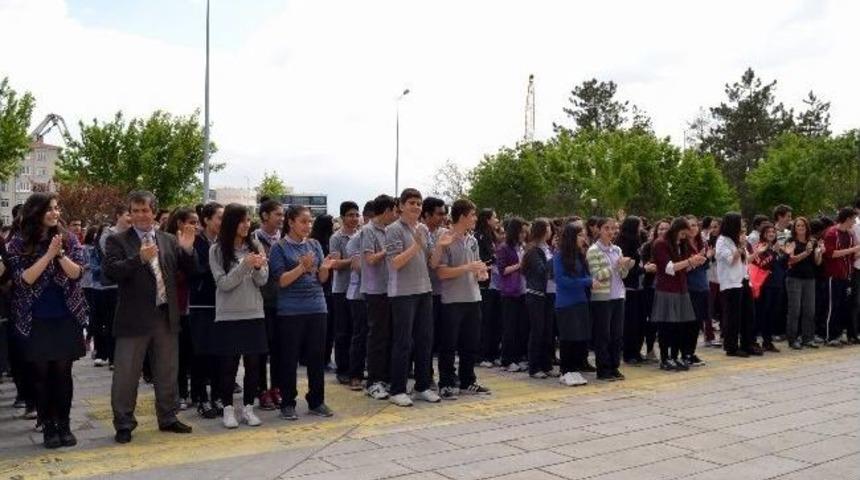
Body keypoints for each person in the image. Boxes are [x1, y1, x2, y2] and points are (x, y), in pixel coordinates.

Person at [104, 191, 197, 444]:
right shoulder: (117, 240)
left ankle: (168, 417)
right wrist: (139, 259)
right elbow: (111, 272)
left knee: (167, 371)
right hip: (133, 319)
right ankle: (123, 423)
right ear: (130, 214)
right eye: (135, 211)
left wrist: (188, 250)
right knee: (126, 375)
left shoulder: (168, 240)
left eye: (145, 210)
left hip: (165, 315)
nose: (140, 215)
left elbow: (191, 271)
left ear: (154, 212)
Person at [7, 193, 88, 449]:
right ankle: (48, 427)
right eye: (49, 209)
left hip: (66, 316)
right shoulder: (18, 242)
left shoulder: (68, 237)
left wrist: (60, 254)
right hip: (35, 319)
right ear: (36, 212)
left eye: (56, 208)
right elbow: (24, 280)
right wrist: (48, 254)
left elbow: (77, 273)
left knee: (63, 374)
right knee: (42, 377)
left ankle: (64, 424)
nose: (55, 213)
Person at [269, 205, 337, 420]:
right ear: (291, 222)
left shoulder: (315, 244)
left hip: (317, 307)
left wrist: (325, 268)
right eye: (303, 221)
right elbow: (281, 281)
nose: (307, 226)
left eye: (310, 222)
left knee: (316, 358)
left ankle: (317, 400)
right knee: (289, 359)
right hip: (291, 311)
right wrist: (301, 267)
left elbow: (321, 279)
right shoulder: (279, 248)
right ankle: (287, 402)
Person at [209, 204, 269, 428]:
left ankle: (248, 408)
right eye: (242, 220)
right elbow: (224, 284)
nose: (246, 225)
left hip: (254, 312)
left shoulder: (255, 245)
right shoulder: (216, 250)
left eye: (248, 221)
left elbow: (262, 280)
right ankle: (227, 409)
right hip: (228, 315)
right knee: (228, 365)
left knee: (254, 364)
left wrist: (256, 268)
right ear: (231, 223)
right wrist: (244, 266)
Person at [385, 188, 440, 407]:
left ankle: (422, 386)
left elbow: (431, 262)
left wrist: (440, 248)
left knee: (425, 340)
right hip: (402, 293)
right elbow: (395, 262)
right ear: (401, 206)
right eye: (411, 203)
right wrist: (416, 244)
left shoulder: (423, 228)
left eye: (419, 203)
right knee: (403, 341)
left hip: (424, 290)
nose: (416, 207)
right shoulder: (393, 229)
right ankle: (397, 389)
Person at [432, 199, 491, 399]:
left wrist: (480, 273)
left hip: (473, 297)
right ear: (463, 216)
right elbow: (441, 273)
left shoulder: (472, 240)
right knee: (449, 343)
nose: (475, 219)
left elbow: (475, 267)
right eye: (473, 215)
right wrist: (467, 268)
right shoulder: (445, 237)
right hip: (452, 300)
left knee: (471, 342)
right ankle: (446, 382)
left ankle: (468, 380)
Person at [650, 217, 705, 371]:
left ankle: (674, 356)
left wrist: (694, 262)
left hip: (681, 288)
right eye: (683, 234)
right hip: (666, 289)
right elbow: (669, 268)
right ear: (677, 230)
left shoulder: (680, 244)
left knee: (679, 325)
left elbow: (682, 269)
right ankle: (664, 358)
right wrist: (689, 261)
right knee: (666, 325)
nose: (684, 238)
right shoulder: (661, 244)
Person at [360, 194, 398, 400]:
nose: (396, 215)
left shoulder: (391, 230)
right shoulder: (368, 231)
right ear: (386, 212)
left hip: (392, 288)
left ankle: (386, 378)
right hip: (375, 290)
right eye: (394, 211)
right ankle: (373, 381)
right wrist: (387, 251)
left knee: (390, 335)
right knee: (377, 336)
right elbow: (370, 259)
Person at [586, 217, 633, 381]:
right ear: (599, 230)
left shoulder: (617, 249)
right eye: (607, 228)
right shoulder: (593, 250)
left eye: (613, 229)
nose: (611, 232)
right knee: (603, 334)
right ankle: (603, 369)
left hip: (618, 295)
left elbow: (623, 275)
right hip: (602, 298)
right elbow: (597, 275)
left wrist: (625, 266)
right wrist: (615, 266)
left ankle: (614, 366)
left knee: (617, 335)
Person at [188, 202, 223, 418]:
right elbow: (193, 269)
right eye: (219, 217)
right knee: (201, 353)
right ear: (207, 219)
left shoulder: (225, 242)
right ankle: (201, 397)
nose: (222, 222)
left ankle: (218, 396)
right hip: (201, 303)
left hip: (224, 304)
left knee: (220, 353)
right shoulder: (196, 241)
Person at [164, 208, 199, 410]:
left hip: (191, 305)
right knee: (177, 355)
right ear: (179, 223)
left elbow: (196, 270)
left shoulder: (197, 242)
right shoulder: (168, 242)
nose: (195, 227)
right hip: (173, 304)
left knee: (191, 352)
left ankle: (193, 393)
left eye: (196, 222)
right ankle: (179, 393)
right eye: (191, 222)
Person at [252, 199, 284, 410]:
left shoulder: (283, 240)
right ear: (265, 216)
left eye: (282, 215)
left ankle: (277, 388)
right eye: (277, 215)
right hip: (261, 300)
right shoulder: (254, 239)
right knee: (261, 349)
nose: (281, 219)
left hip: (283, 301)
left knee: (279, 349)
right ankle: (261, 390)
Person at [554, 222, 594, 386]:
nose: (583, 238)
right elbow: (562, 280)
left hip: (580, 301)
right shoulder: (559, 256)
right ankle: (565, 370)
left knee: (579, 338)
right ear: (571, 237)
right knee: (568, 338)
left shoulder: (580, 255)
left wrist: (588, 280)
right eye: (580, 235)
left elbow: (585, 275)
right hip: (566, 303)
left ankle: (574, 369)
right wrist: (588, 281)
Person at [716, 212, 758, 358]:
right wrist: (740, 246)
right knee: (733, 316)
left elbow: (746, 260)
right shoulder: (723, 241)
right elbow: (731, 260)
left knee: (748, 313)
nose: (742, 226)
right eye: (740, 223)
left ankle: (747, 343)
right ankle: (731, 346)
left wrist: (755, 252)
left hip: (744, 279)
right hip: (731, 282)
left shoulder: (738, 239)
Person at [329, 201, 361, 385]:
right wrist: (355, 258)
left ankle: (355, 367)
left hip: (358, 290)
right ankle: (342, 369)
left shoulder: (361, 234)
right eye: (350, 215)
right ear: (342, 218)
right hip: (341, 289)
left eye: (356, 215)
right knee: (342, 331)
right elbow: (335, 264)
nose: (354, 218)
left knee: (357, 330)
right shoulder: (336, 238)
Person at [521, 218, 557, 379]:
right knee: (538, 331)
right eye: (548, 228)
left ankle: (546, 364)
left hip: (549, 295)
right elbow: (541, 270)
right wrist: (554, 261)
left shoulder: (548, 249)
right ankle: (534, 367)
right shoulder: (533, 250)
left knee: (548, 331)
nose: (550, 231)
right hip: (536, 295)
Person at [346, 201, 374, 391]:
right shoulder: (357, 238)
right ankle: (354, 374)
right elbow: (357, 266)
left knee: (375, 336)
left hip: (378, 294)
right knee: (360, 334)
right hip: (359, 294)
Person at [821, 207, 860, 346]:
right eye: (853, 219)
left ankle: (838, 334)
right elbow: (831, 254)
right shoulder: (832, 233)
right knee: (833, 305)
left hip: (846, 274)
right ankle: (829, 336)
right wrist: (853, 249)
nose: (854, 222)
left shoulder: (849, 235)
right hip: (834, 275)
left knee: (843, 305)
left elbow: (851, 255)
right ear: (847, 218)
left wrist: (855, 250)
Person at [785, 217, 822, 349]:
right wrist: (806, 253)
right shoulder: (791, 241)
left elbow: (817, 262)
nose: (800, 228)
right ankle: (792, 339)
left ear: (807, 228)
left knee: (810, 310)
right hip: (794, 278)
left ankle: (808, 338)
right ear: (794, 228)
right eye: (798, 226)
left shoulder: (813, 241)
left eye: (803, 226)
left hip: (810, 278)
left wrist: (819, 253)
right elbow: (790, 261)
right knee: (795, 310)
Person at [497, 218, 529, 372]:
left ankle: (517, 357)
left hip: (522, 290)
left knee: (520, 327)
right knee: (509, 327)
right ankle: (507, 359)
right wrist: (518, 265)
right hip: (510, 292)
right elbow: (502, 270)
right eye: (521, 231)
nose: (524, 235)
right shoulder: (504, 248)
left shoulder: (522, 247)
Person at [750, 222, 786, 352]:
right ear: (763, 234)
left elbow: (782, 265)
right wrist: (773, 253)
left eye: (773, 232)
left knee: (772, 314)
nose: (771, 234)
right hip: (764, 285)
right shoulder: (761, 247)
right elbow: (761, 264)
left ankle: (767, 341)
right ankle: (753, 340)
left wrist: (785, 254)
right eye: (768, 232)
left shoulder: (775, 247)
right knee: (761, 313)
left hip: (777, 283)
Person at [475, 209, 502, 368]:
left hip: (496, 284)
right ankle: (482, 355)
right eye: (494, 217)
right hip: (484, 284)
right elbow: (484, 259)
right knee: (485, 321)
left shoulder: (493, 236)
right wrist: (493, 261)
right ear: (487, 220)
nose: (497, 220)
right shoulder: (479, 237)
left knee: (495, 321)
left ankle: (493, 353)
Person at [619, 216, 646, 365]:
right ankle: (629, 353)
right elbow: (628, 266)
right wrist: (643, 269)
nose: (641, 227)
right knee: (630, 322)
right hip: (629, 287)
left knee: (640, 322)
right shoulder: (624, 242)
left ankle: (636, 350)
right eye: (639, 225)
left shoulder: (637, 240)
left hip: (639, 287)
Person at [684, 216, 711, 366]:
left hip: (702, 286)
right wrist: (695, 261)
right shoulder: (682, 245)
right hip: (689, 287)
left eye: (695, 225)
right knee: (689, 322)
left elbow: (705, 266)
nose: (693, 228)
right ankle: (686, 352)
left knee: (698, 322)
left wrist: (706, 258)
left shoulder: (702, 243)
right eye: (690, 226)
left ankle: (692, 352)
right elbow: (682, 269)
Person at [310, 214, 336, 370]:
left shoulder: (314, 241)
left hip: (324, 288)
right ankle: (323, 359)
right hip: (326, 288)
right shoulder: (322, 243)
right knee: (326, 329)